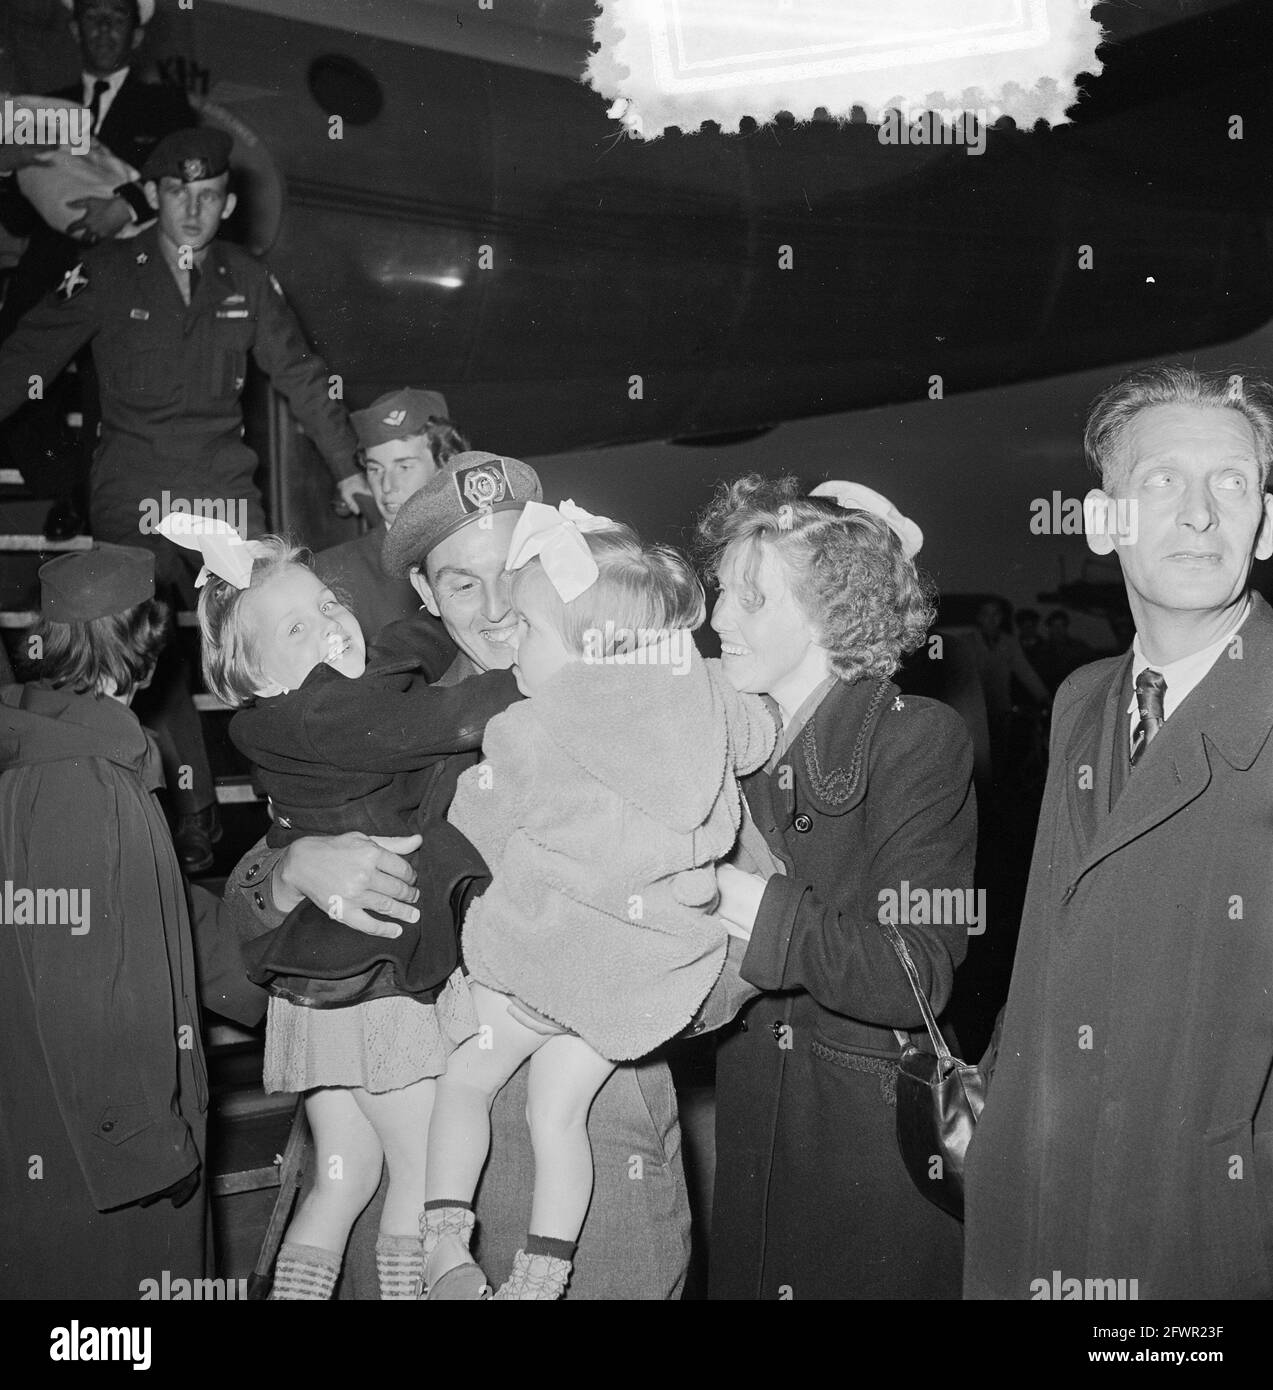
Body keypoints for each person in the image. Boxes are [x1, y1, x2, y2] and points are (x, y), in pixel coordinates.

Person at [224, 452, 694, 1299]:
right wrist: (289, 870)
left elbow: (741, 941)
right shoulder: (383, 696)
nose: (501, 604)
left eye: (514, 569)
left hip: (586, 1205)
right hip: (398, 1211)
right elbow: (245, 908)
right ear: (428, 598)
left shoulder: (647, 684)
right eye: (463, 584)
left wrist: (599, 964)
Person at [965, 365, 1273, 1300]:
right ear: (1102, 524)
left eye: (1231, 482)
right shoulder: (1081, 700)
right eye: (1160, 482)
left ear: (1268, 520)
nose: (1198, 514)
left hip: (1198, 1232)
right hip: (1039, 1204)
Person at [422, 501, 775, 1300]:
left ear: (588, 652)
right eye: (461, 584)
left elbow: (468, 828)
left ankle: (444, 1245)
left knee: (466, 1082)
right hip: (634, 989)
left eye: (529, 629)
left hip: (532, 969)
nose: (509, 637)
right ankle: (539, 1277)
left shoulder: (524, 730)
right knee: (558, 1117)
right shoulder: (710, 698)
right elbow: (761, 734)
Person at [0, 126, 366, 871]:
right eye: (177, 193)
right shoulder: (104, 271)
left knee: (271, 617)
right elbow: (26, 355)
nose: (191, 209)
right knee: (136, 638)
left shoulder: (248, 280)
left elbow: (299, 374)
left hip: (222, 492)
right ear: (155, 197)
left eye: (206, 195)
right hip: (131, 489)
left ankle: (301, 795)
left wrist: (350, 469)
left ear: (225, 203)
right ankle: (188, 811)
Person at [179, 524, 518, 1301]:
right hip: (375, 981)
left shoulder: (312, 703)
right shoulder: (320, 712)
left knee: (343, 1176)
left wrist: (435, 623)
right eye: (298, 626)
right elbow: (443, 722)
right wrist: (546, 669)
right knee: (418, 1172)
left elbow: (400, 654)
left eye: (330, 603)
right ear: (254, 673)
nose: (332, 623)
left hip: (322, 988)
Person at [695, 475, 977, 1299]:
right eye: (719, 595)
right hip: (753, 1121)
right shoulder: (725, 744)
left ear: (830, 611)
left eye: (749, 601)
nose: (717, 620)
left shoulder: (919, 738)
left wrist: (738, 897)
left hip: (866, 1141)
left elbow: (913, 972)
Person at [0, 542, 268, 1299]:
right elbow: (87, 981)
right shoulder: (83, 782)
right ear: (151, 646)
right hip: (105, 1164)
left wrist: (283, 963)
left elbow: (167, 916)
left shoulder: (61, 757)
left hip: (69, 1146)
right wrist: (146, 1145)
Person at [0, 0, 196, 539]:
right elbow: (19, 215)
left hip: (126, 268)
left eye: (117, 18)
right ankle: (64, 481)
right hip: (52, 272)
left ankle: (87, 496)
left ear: (137, 36)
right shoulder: (43, 109)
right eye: (93, 17)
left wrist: (126, 206)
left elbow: (183, 175)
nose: (105, 27)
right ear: (73, 29)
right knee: (12, 364)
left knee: (103, 389)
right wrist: (6, 170)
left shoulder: (166, 105)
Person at [315, 386, 468, 649]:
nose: (387, 486)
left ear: (445, 465)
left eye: (404, 467)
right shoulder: (329, 572)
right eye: (375, 470)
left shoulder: (484, 550)